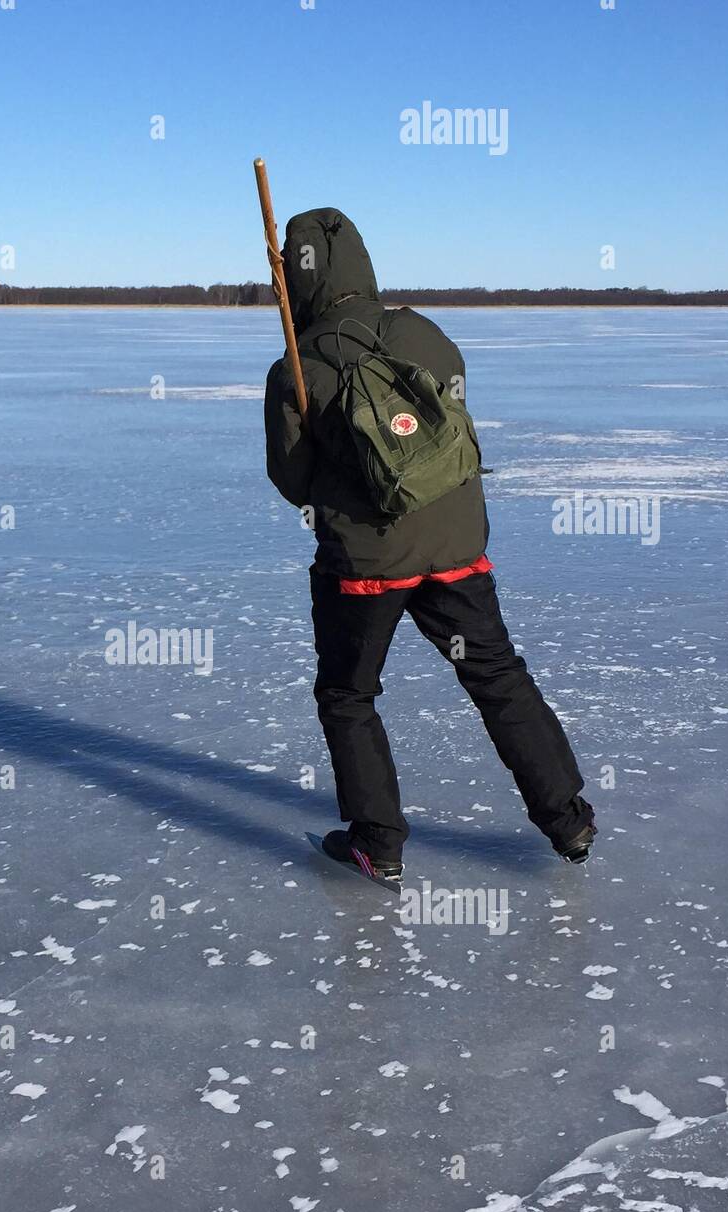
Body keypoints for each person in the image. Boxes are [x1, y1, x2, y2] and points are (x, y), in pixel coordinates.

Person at [264, 207, 595, 881]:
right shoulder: (427, 334)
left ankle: (377, 839)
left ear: (293, 279)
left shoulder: (299, 366)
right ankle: (569, 820)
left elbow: (294, 481)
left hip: (368, 566)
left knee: (349, 695)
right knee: (496, 675)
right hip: (455, 546)